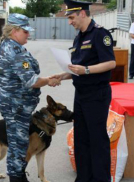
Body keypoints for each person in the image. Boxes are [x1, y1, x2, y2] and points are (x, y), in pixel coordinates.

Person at [52, 0, 116, 181]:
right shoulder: (78, 37)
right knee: (81, 140)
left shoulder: (99, 34)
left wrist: (86, 70)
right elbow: (76, 69)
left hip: (96, 95)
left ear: (82, 13)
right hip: (81, 95)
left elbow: (111, 63)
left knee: (97, 141)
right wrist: (62, 75)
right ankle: (84, 178)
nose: (69, 21)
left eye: (71, 17)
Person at [0, 13, 60, 182]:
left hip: (14, 104)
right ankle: (17, 178)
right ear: (15, 31)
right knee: (19, 144)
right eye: (25, 31)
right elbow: (31, 81)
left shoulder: (8, 45)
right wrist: (49, 81)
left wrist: (44, 80)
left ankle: (19, 175)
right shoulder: (13, 50)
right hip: (16, 105)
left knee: (18, 142)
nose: (28, 34)